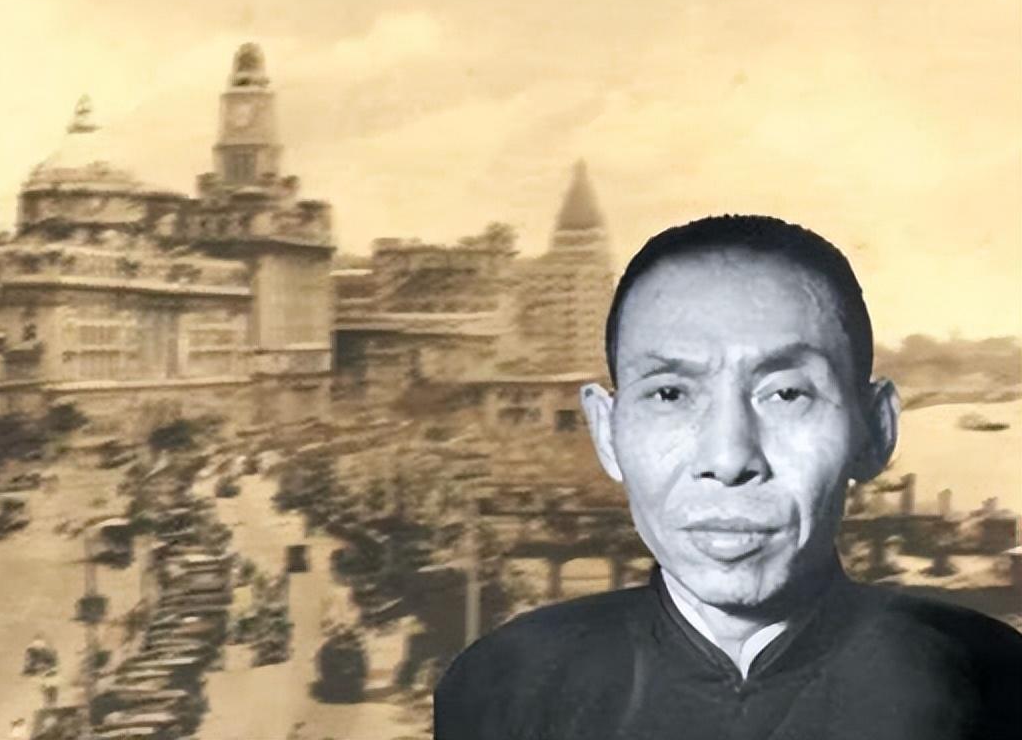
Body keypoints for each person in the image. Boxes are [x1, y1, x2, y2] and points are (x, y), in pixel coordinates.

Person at [434, 215, 1022, 740]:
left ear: (875, 430)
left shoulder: (993, 683)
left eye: (786, 393)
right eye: (670, 394)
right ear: (607, 432)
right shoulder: (503, 688)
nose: (730, 457)